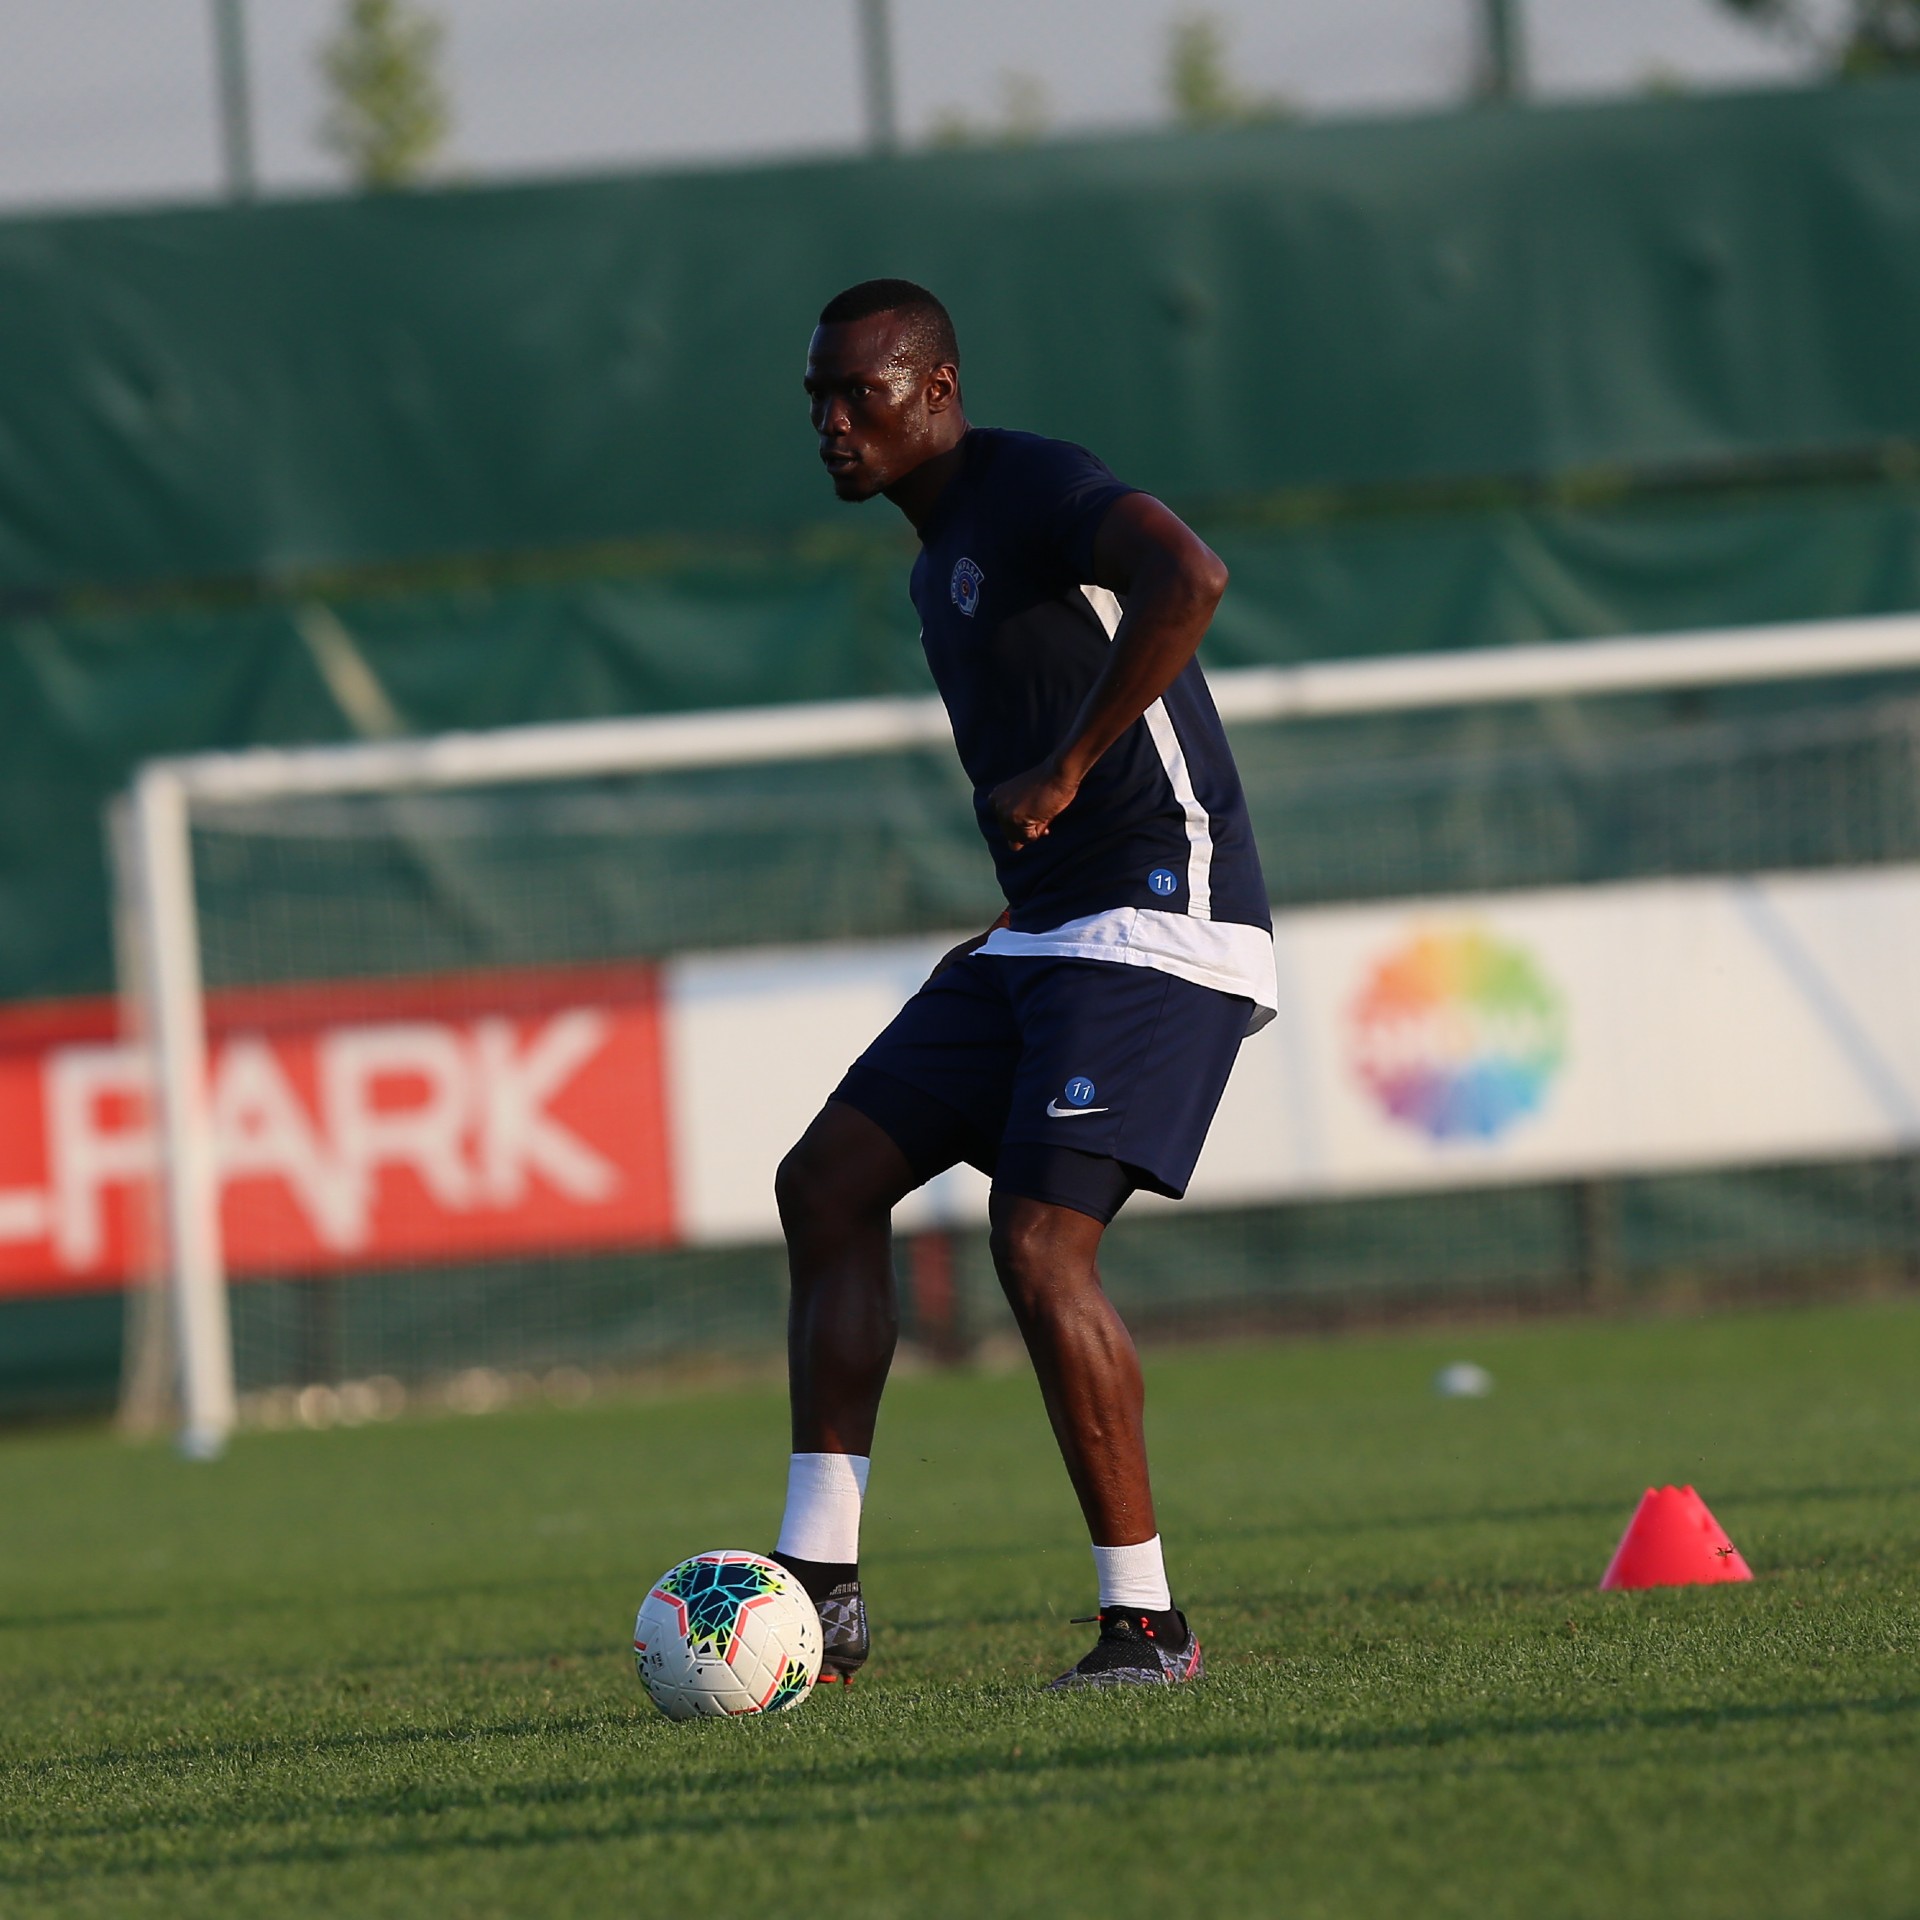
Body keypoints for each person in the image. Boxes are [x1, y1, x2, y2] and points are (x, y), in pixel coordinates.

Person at [771, 279, 1275, 1690]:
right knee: (825, 1183)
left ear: (936, 389)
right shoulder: (935, 559)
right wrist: (1017, 908)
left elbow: (1192, 576)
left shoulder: (1034, 483)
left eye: (858, 393)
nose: (831, 422)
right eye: (816, 398)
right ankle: (821, 1587)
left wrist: (1069, 763)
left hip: (1166, 918)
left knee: (1041, 1242)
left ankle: (1147, 1627)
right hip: (1048, 930)